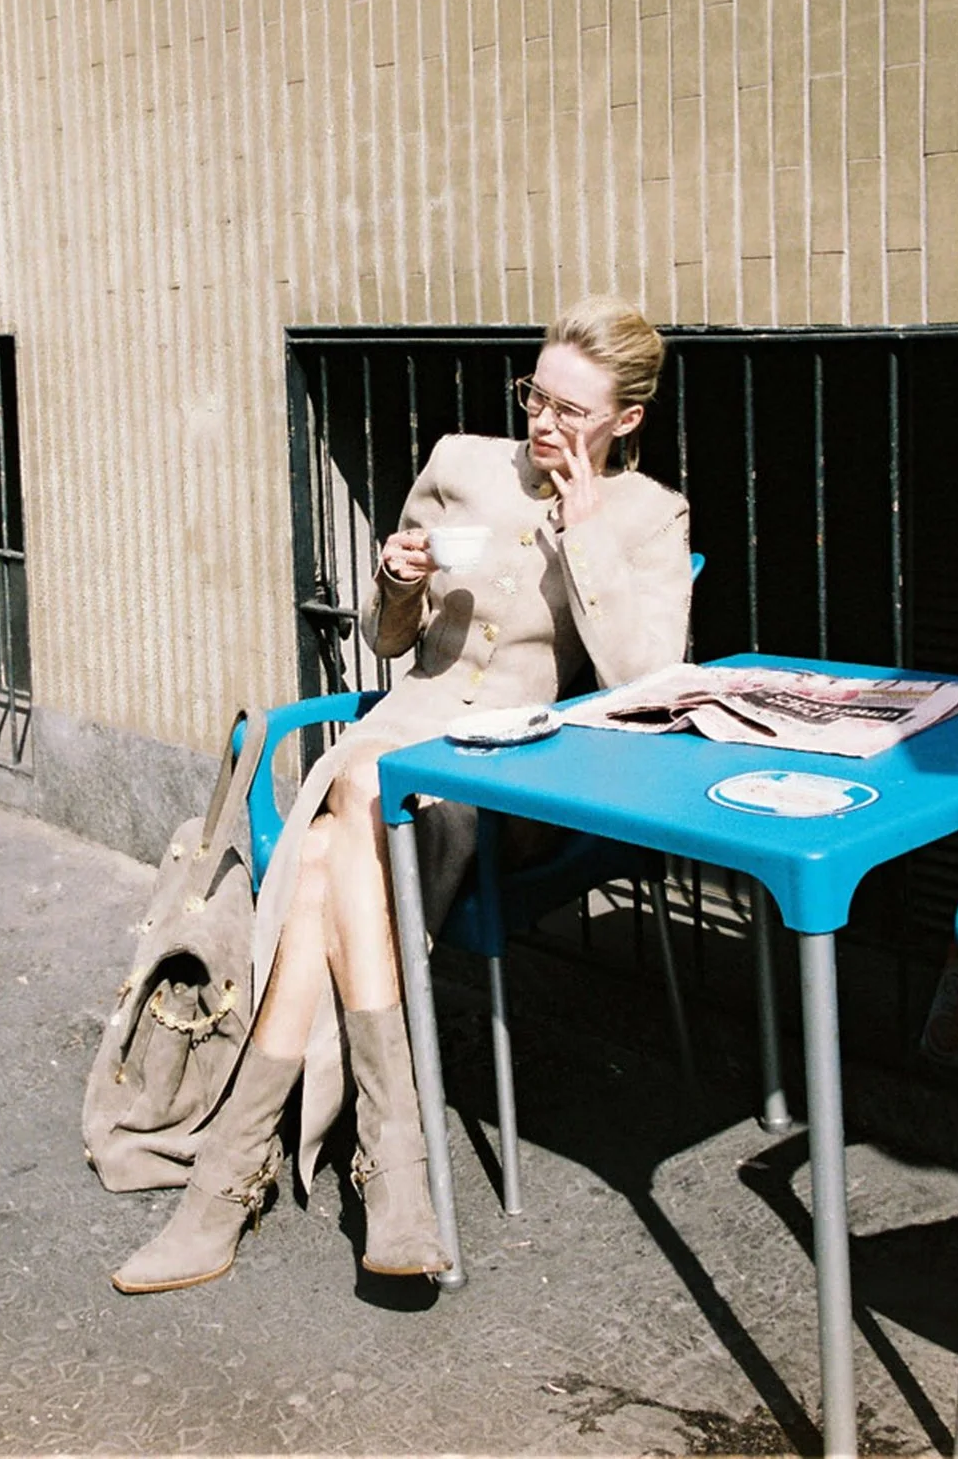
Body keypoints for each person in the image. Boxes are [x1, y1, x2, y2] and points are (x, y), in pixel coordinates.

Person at [112, 294, 694, 1295]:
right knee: (347, 819)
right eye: (535, 395)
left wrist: (587, 525)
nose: (542, 422)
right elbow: (393, 643)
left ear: (626, 419)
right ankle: (389, 1166)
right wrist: (395, 580)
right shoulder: (460, 462)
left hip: (510, 771)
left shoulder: (649, 515)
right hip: (398, 730)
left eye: (571, 411)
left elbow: (645, 681)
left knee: (343, 821)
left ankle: (227, 1186)